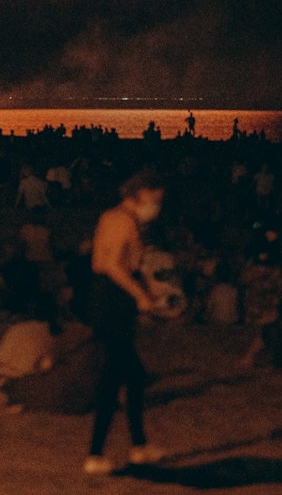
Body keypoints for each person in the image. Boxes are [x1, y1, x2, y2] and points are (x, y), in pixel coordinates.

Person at [83, 171, 167, 475]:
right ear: (139, 195)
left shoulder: (111, 217)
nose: (156, 207)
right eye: (153, 201)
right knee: (114, 379)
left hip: (107, 298)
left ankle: (139, 447)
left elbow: (106, 262)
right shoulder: (124, 222)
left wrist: (146, 286)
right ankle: (95, 454)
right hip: (113, 301)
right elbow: (110, 265)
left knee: (131, 376)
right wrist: (140, 296)